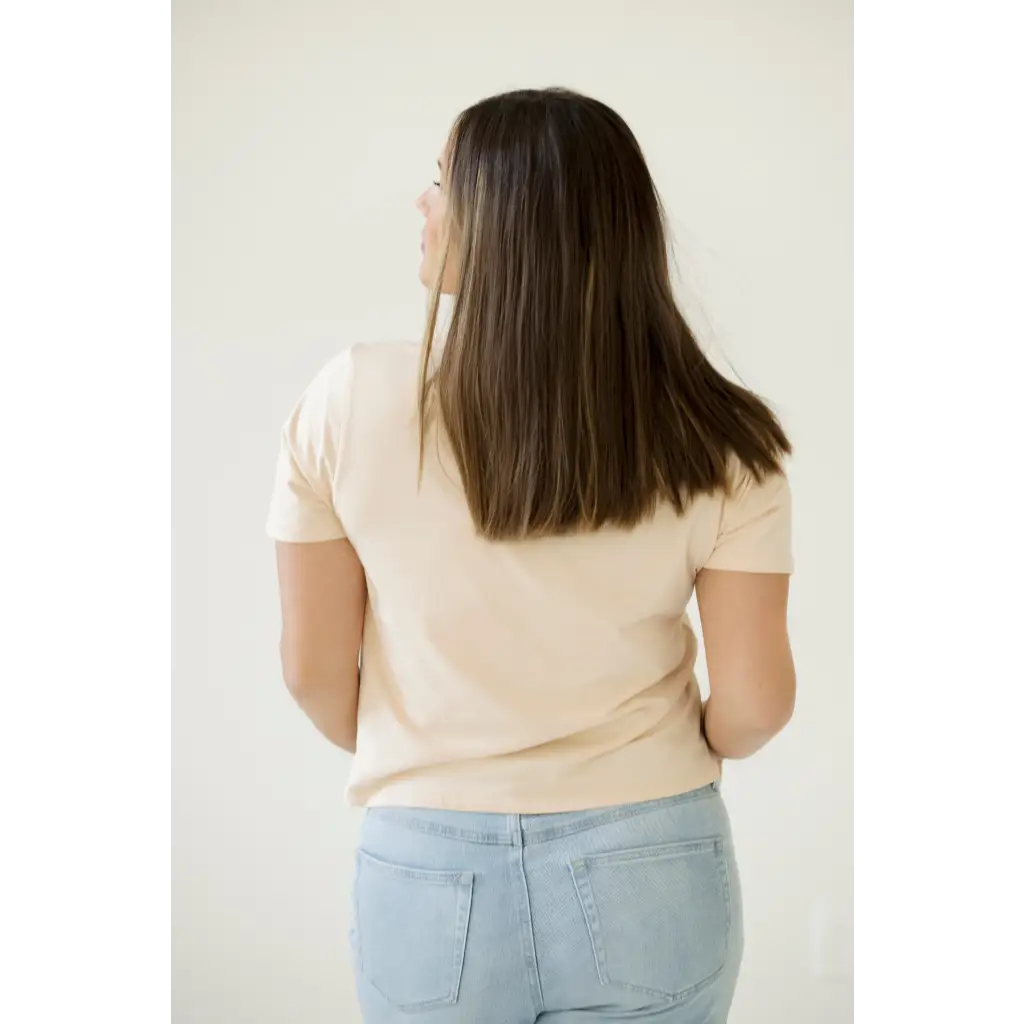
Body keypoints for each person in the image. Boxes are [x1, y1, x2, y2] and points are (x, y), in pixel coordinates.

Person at [267, 88, 796, 1024]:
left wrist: (437, 751)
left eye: (443, 184)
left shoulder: (349, 400)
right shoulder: (720, 435)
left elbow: (313, 672)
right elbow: (754, 705)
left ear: (507, 220)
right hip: (653, 856)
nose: (423, 207)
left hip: (426, 869)